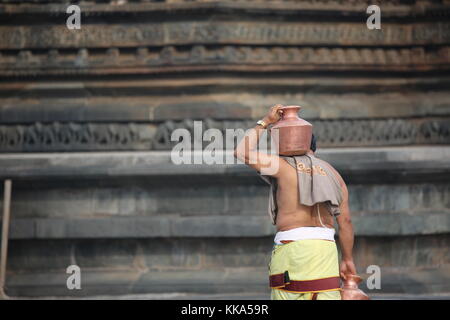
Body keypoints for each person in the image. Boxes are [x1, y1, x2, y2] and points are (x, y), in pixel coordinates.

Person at [234, 104, 356, 300]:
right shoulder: (335, 175)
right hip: (326, 253)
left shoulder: (281, 166)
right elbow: (346, 223)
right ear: (313, 147)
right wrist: (348, 259)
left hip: (293, 250)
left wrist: (265, 121)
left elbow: (242, 152)